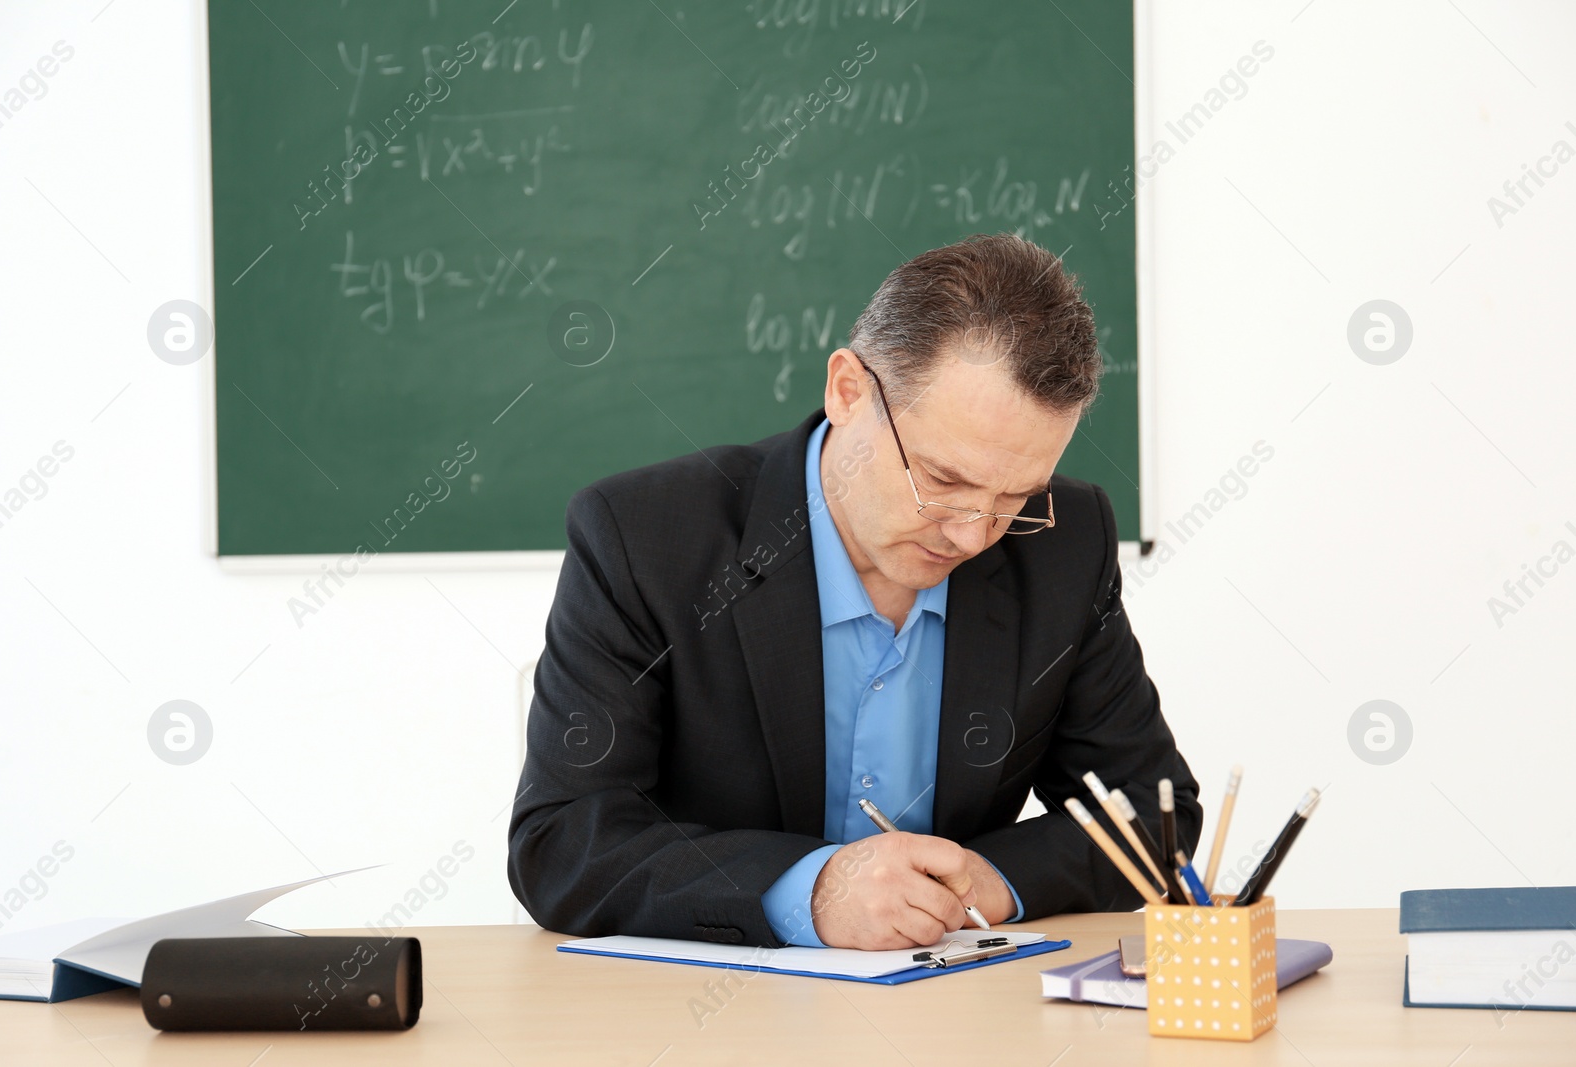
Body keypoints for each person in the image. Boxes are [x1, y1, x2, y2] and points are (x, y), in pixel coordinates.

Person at [508, 233, 1201, 950]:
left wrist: (988, 881)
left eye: (1016, 496)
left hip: (959, 1015)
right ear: (847, 391)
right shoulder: (644, 539)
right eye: (943, 480)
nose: (972, 534)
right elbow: (562, 841)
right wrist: (810, 890)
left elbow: (1151, 816)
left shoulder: (1064, 542)